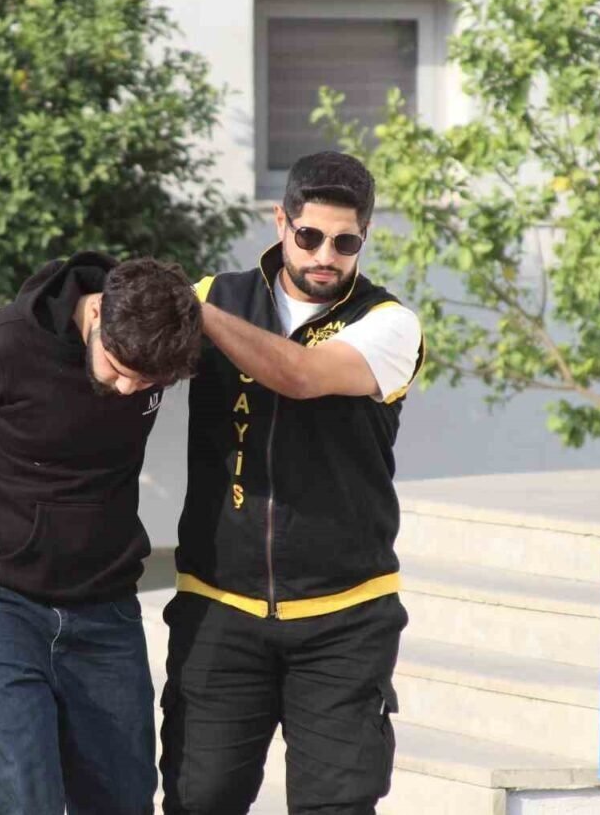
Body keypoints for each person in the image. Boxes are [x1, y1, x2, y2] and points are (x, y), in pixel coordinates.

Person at [0, 252, 202, 814]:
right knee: (24, 797)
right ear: (97, 312)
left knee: (123, 801)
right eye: (118, 367)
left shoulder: (157, 334)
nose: (128, 388)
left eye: (148, 382)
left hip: (104, 604)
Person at [160, 151, 424, 814]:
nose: (325, 256)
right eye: (309, 236)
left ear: (365, 237)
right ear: (280, 222)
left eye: (345, 242)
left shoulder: (389, 323)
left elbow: (300, 376)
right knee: (198, 800)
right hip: (218, 608)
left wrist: (199, 312)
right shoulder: (219, 294)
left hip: (345, 620)